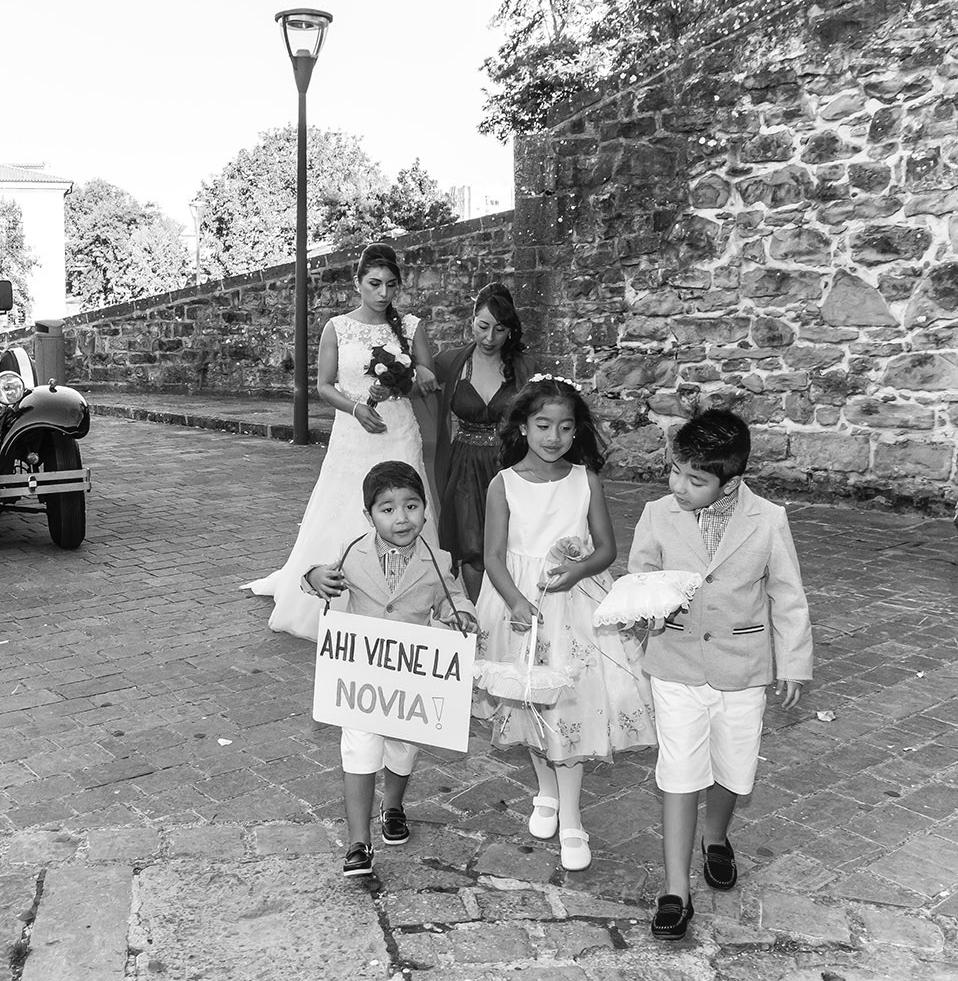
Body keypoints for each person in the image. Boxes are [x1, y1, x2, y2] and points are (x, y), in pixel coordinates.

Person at [627, 409, 812, 941]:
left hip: (743, 667)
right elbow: (641, 577)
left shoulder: (769, 519)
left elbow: (786, 592)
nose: (678, 486)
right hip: (676, 663)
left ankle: (717, 836)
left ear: (730, 480)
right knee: (679, 770)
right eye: (675, 471)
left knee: (733, 766)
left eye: (695, 479)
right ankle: (674, 890)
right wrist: (648, 607)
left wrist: (794, 660)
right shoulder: (658, 513)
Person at [475, 375, 657, 873]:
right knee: (531, 699)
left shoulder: (585, 481)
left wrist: (579, 569)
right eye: (542, 425)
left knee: (571, 705)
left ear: (576, 431)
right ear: (523, 427)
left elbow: (606, 548)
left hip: (575, 605)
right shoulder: (503, 484)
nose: (553, 437)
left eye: (565, 427)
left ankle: (573, 817)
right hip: (521, 607)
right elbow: (491, 556)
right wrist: (513, 600)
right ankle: (547, 790)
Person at [245, 243, 440, 641]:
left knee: (403, 502)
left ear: (398, 286)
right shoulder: (337, 326)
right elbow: (323, 385)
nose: (382, 293)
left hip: (398, 430)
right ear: (358, 282)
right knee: (347, 504)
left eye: (390, 285)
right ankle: (339, 596)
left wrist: (414, 374)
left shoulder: (412, 327)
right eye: (373, 284)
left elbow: (426, 376)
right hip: (354, 432)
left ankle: (409, 598)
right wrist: (355, 408)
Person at [302, 461, 477, 877]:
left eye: (412, 506)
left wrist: (464, 616)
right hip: (362, 674)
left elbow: (455, 598)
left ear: (425, 510)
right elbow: (315, 579)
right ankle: (357, 843)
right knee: (359, 750)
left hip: (410, 676)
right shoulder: (352, 553)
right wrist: (314, 576)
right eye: (387, 509)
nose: (401, 518)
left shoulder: (437, 560)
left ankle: (394, 805)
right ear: (369, 515)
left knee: (402, 749)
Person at [431, 282, 532, 602]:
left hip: (508, 465)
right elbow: (417, 397)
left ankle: (507, 613)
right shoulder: (449, 363)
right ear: (471, 321)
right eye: (483, 326)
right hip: (463, 466)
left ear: (510, 331)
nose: (489, 338)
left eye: (500, 329)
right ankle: (476, 618)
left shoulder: (525, 368)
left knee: (511, 544)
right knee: (472, 549)